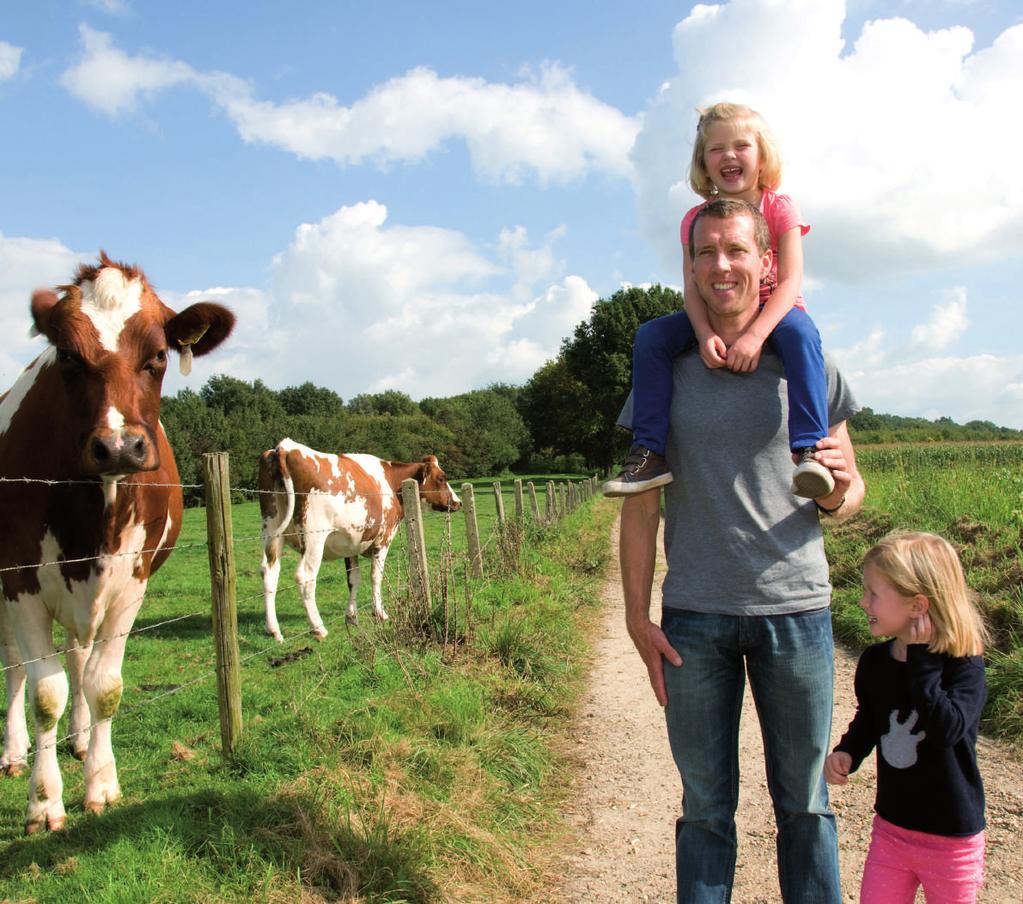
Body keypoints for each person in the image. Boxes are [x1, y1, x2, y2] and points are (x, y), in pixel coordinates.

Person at [620, 197, 865, 903]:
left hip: (796, 611)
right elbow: (639, 508)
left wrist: (835, 493)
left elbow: (848, 496)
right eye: (705, 253)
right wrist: (638, 619)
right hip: (694, 618)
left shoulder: (805, 357)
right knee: (704, 812)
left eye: (735, 250)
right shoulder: (665, 365)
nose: (720, 265)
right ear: (689, 266)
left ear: (765, 262)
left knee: (806, 806)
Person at [605, 102, 831, 499]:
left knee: (802, 335)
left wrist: (756, 336)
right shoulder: (694, 219)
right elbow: (691, 287)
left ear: (762, 157)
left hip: (775, 311)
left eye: (741, 145)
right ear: (704, 163)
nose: (729, 155)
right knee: (652, 337)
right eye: (716, 149)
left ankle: (809, 449)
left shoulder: (780, 206)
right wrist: (704, 332)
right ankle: (649, 452)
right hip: (712, 312)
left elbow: (792, 279)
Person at [824, 532, 988, 903]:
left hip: (951, 842)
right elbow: (870, 717)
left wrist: (922, 664)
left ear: (917, 605)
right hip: (892, 831)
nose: (863, 601)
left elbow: (946, 729)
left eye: (873, 594)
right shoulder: (875, 662)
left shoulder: (964, 666)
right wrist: (849, 750)